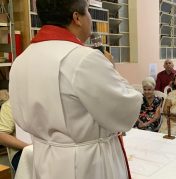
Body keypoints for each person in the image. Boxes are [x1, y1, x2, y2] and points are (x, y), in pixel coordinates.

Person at [9, 1, 143, 178]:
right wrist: (111, 68)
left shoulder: (21, 60)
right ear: (77, 17)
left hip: (44, 159)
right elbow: (125, 112)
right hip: (87, 164)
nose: (90, 18)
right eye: (88, 11)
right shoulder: (84, 59)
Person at [0, 100, 29, 171]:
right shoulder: (10, 105)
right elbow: (2, 135)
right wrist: (29, 147)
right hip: (22, 150)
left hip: (50, 146)